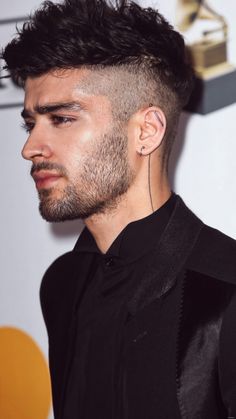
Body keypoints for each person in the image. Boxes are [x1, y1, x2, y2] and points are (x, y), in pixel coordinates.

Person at [2, 0, 236, 418]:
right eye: (30, 123)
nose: (29, 148)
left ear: (146, 131)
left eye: (61, 118)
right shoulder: (61, 286)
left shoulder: (226, 290)